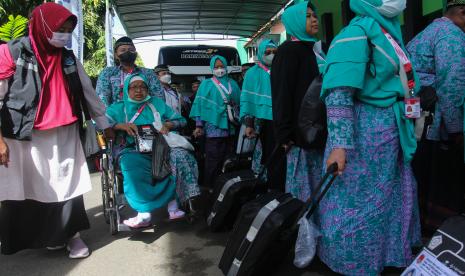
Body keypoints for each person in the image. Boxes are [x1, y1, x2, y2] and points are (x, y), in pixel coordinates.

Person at [0, 3, 113, 258]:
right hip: (21, 134)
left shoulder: (68, 57)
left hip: (64, 132)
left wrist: (105, 126)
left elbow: (88, 93)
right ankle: (46, 237)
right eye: (58, 28)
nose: (63, 34)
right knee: (25, 188)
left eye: (67, 30)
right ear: (42, 25)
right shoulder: (11, 53)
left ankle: (72, 237)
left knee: (67, 186)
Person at [318, 0, 421, 274]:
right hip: (363, 138)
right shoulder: (356, 32)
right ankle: (353, 265)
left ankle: (387, 256)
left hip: (388, 137)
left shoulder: (388, 32)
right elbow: (339, 92)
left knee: (386, 201)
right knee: (358, 205)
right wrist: (340, 145)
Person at [106, 74, 199, 226]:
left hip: (161, 147)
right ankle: (143, 213)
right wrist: (120, 125)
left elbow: (180, 120)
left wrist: (168, 125)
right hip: (132, 149)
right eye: (134, 87)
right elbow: (100, 122)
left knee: (180, 157)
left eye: (143, 87)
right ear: (127, 90)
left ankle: (173, 206)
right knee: (131, 164)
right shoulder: (119, 107)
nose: (139, 91)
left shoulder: (157, 103)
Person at [407, 0, 465, 232]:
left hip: (418, 120)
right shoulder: (452, 36)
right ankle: (439, 229)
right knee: (440, 179)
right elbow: (452, 86)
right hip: (435, 122)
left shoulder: (429, 31)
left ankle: (420, 225)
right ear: (462, 12)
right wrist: (455, 129)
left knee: (421, 174)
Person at [270, 1, 324, 198]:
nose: (314, 19)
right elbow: (282, 94)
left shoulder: (312, 50)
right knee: (304, 189)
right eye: (307, 16)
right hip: (299, 137)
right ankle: (303, 228)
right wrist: (284, 135)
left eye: (314, 15)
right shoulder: (288, 51)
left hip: (316, 131)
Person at [190, 55, 241, 189]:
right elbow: (199, 106)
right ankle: (210, 189)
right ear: (212, 68)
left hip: (231, 130)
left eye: (222, 66)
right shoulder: (206, 84)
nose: (220, 69)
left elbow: (240, 104)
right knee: (213, 162)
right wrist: (199, 125)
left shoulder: (233, 84)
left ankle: (226, 189)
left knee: (229, 161)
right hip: (213, 131)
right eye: (216, 67)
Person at [240, 39, 278, 186]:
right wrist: (249, 124)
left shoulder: (281, 68)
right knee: (267, 155)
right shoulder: (252, 73)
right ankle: (268, 187)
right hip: (262, 122)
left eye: (275, 52)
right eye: (268, 52)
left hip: (281, 118)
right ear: (261, 53)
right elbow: (246, 100)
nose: (271, 55)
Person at [96, 36, 163, 107]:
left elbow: (159, 98)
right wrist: (111, 116)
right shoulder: (108, 73)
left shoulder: (148, 73)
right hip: (116, 116)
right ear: (116, 55)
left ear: (135, 53)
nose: (127, 52)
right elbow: (102, 99)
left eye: (131, 49)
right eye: (123, 50)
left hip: (145, 115)